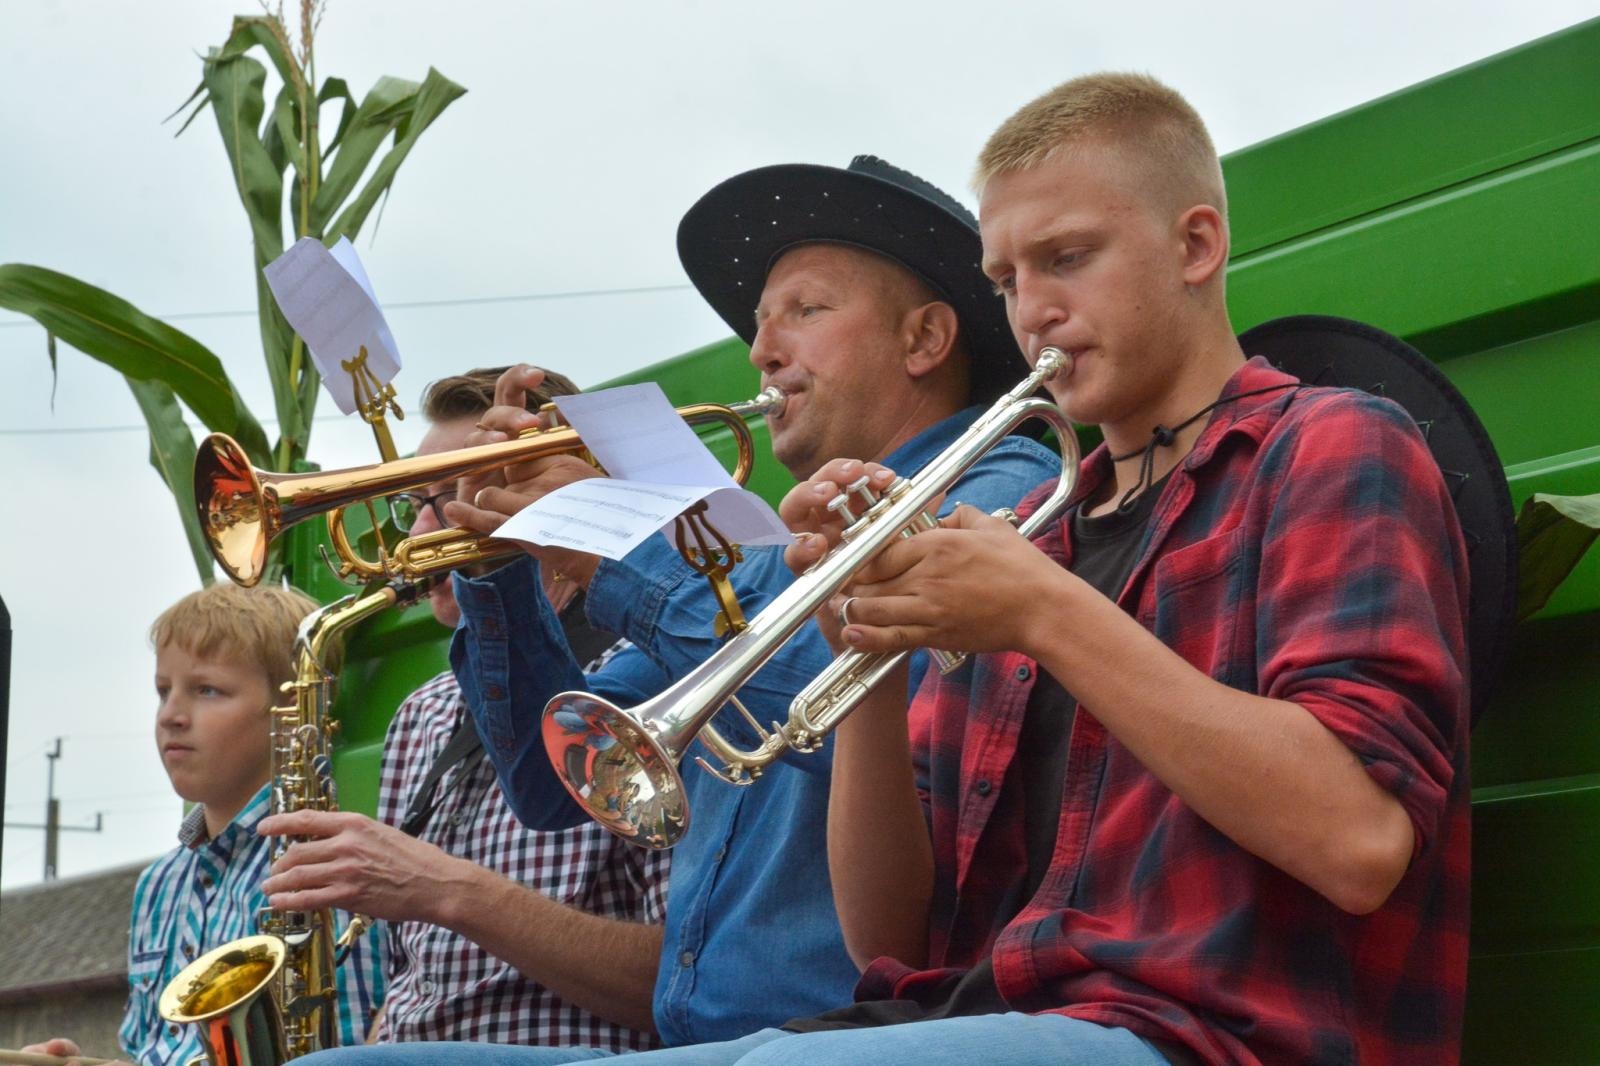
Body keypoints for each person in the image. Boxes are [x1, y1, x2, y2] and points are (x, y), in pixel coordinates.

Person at [492, 71, 1471, 1065]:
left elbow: (1359, 843)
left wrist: (1047, 613)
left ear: (1194, 245)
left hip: (1222, 1034)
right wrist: (859, 642)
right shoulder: (1038, 534)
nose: (1035, 310)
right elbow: (889, 940)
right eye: (1008, 281)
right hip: (973, 1018)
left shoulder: (1331, 445)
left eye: (1068, 259)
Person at [292, 156, 1060, 1065]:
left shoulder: (1005, 486)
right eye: (759, 324)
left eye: (805, 313)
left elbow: (831, 696)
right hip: (698, 1044)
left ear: (925, 338)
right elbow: (554, 782)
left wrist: (610, 546)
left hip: (844, 1033)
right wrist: (500, 560)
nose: (763, 351)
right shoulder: (758, 554)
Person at [257, 368, 669, 1047]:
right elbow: (414, 980)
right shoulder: (420, 713)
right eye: (417, 501)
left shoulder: (654, 676)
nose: (422, 527)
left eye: (456, 494)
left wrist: (446, 890)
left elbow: (688, 986)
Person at [24, 582, 385, 1065]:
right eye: (162, 691)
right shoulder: (159, 883)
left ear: (288, 709)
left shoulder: (331, 859)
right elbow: (152, 1052)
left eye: (207, 690)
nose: (171, 715)